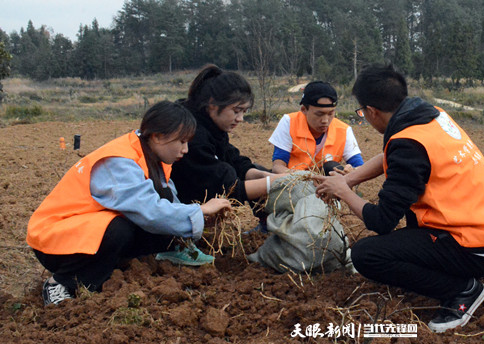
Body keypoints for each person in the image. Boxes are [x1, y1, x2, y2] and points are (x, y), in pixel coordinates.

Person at [313, 65, 484, 333]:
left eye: (362, 112)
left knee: (365, 255)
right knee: (409, 231)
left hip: (476, 247)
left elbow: (381, 221)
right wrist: (349, 179)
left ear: (372, 111)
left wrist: (343, 191)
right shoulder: (429, 117)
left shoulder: (407, 143)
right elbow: (392, 154)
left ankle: (463, 290)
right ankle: (453, 272)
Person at [27, 101, 231, 306]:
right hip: (54, 242)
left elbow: (167, 206)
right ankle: (60, 283)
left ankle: (110, 271)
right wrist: (199, 210)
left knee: (164, 226)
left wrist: (199, 220)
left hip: (81, 234)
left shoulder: (152, 156)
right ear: (158, 136)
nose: (186, 150)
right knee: (119, 229)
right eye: (182, 141)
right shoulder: (119, 161)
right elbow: (150, 211)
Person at [171, 65, 284, 233]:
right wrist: (278, 182)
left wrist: (266, 176)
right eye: (236, 111)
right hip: (179, 202)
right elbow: (229, 188)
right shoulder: (192, 135)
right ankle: (182, 237)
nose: (241, 119)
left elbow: (234, 159)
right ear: (212, 105)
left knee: (257, 171)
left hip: (201, 190)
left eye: (244, 112)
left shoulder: (211, 126)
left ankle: (269, 226)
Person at [269, 81, 364, 174]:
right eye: (319, 114)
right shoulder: (289, 122)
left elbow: (360, 167)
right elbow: (278, 166)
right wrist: (303, 178)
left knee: (331, 167)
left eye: (331, 113)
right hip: (292, 182)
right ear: (304, 110)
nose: (325, 120)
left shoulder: (343, 130)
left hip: (327, 185)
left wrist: (352, 171)